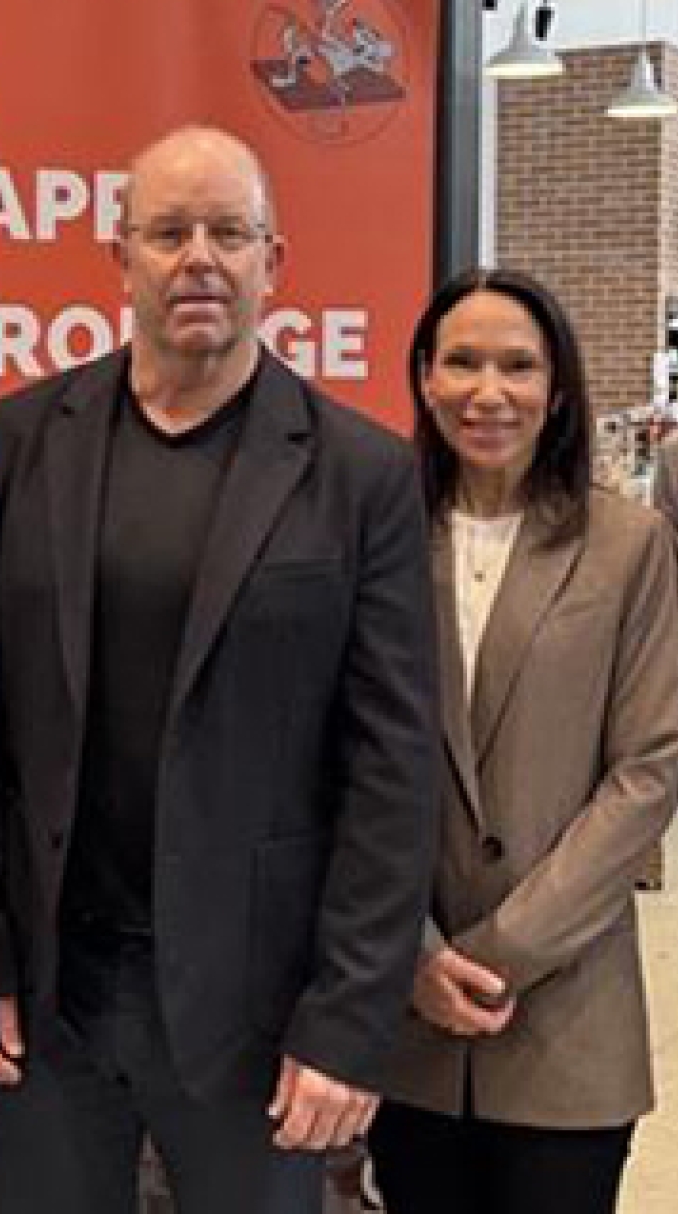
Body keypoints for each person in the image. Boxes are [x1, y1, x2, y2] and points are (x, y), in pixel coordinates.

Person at [0, 124, 440, 1214]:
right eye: (167, 232)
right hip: (47, 996)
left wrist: (349, 1023)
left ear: (275, 261)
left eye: (228, 231)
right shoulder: (17, 442)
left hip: (256, 1012)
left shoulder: (360, 474)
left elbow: (393, 773)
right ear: (118, 258)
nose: (198, 257)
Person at [369, 267, 678, 1214]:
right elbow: (339, 755)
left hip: (568, 1010)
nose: (488, 391)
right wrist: (414, 954)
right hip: (405, 1012)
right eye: (462, 362)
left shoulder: (626, 545)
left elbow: (649, 767)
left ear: (557, 386)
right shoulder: (377, 534)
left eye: (518, 365)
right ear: (424, 377)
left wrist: (504, 949)